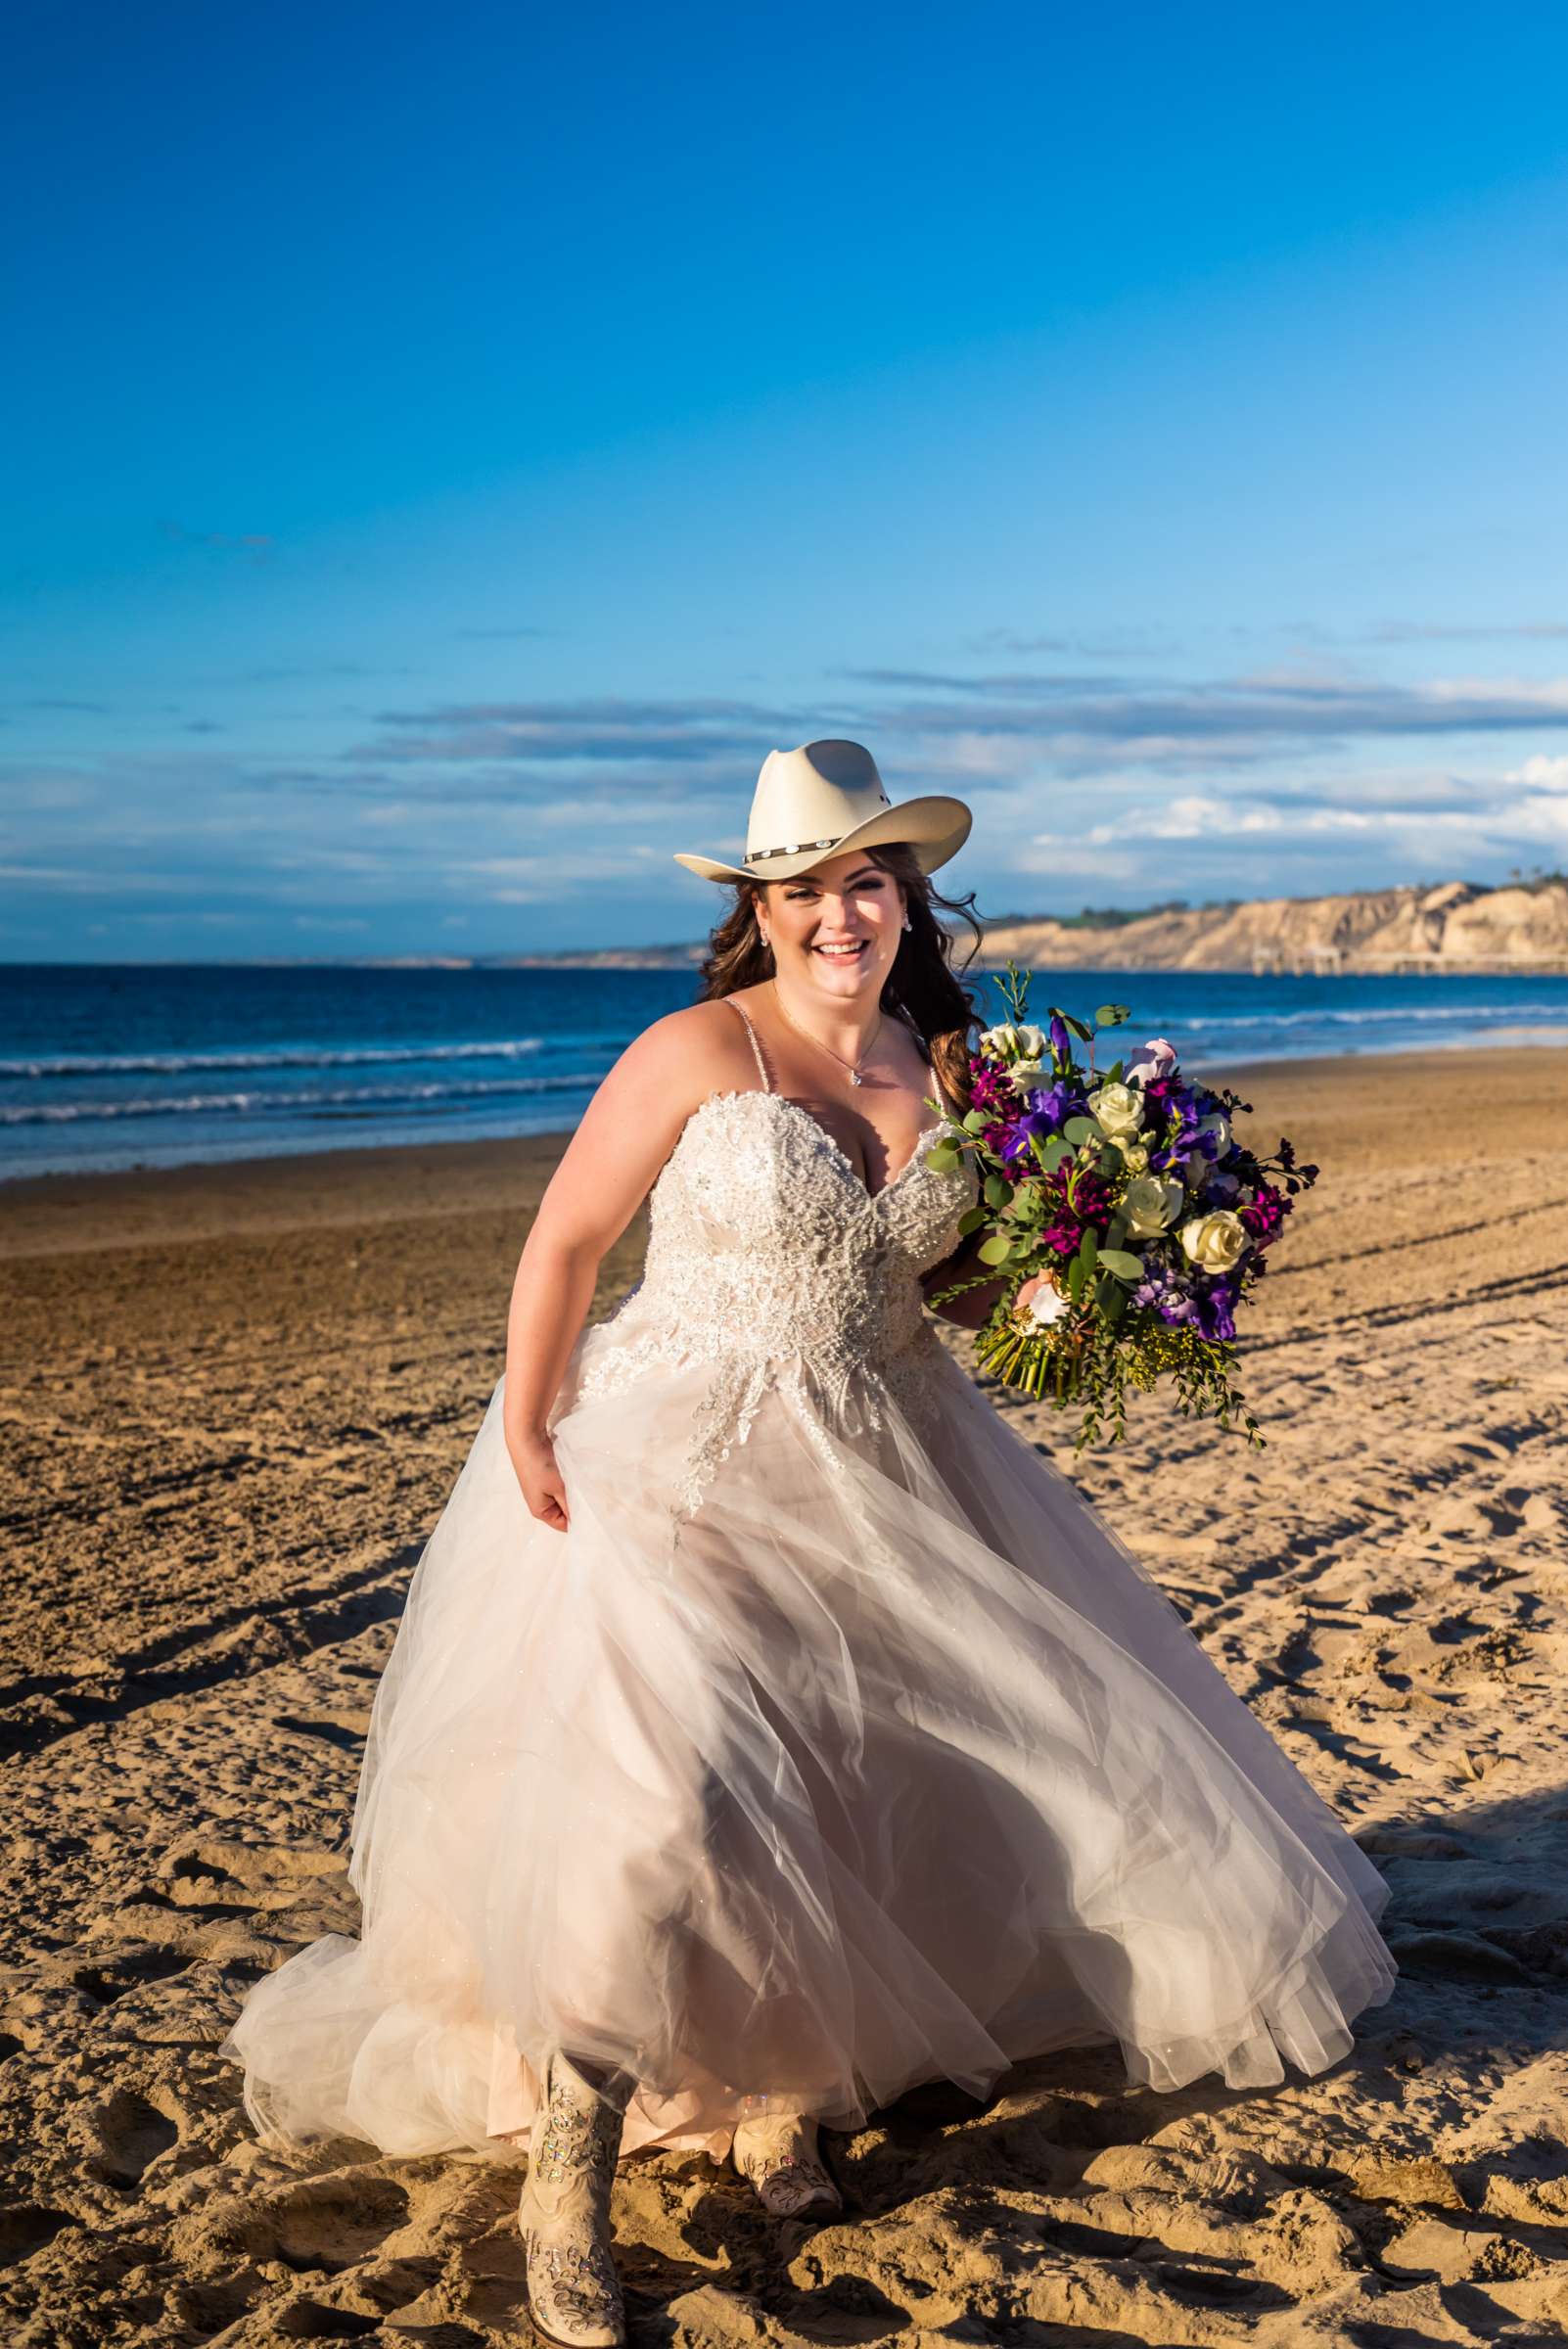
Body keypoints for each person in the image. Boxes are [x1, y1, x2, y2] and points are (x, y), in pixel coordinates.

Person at [220, 740, 1395, 2349]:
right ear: (759, 912)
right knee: (667, 1796)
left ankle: (779, 2094)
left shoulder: (946, 1067)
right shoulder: (699, 1047)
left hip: (883, 1464)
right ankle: (571, 2158)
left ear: (908, 903)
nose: (837, 915)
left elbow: (946, 1292)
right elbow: (566, 1238)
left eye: (864, 883)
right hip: (677, 1463)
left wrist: (1080, 1284)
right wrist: (526, 1418)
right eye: (803, 889)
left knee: (846, 1786)